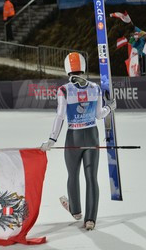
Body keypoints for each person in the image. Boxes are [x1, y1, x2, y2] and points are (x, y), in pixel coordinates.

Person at [40, 52, 116, 231]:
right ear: (83, 67)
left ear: (67, 68)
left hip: (73, 137)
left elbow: (60, 117)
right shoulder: (95, 88)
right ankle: (90, 219)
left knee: (72, 175)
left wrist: (51, 139)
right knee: (91, 178)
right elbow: (99, 115)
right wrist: (110, 108)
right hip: (91, 136)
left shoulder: (64, 90)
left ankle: (76, 212)